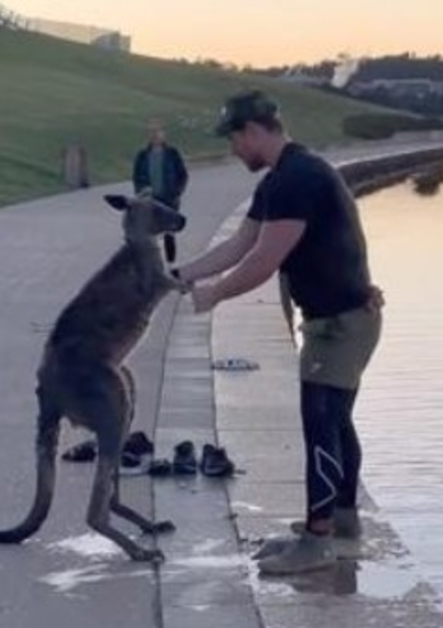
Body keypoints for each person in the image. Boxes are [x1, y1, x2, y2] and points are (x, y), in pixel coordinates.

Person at [172, 90, 382, 575]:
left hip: (341, 325)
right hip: (341, 320)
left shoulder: (298, 179)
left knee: (321, 421)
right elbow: (239, 243)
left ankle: (318, 540)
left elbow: (264, 261)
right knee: (335, 420)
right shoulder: (282, 178)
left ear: (252, 131)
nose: (232, 150)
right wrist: (184, 276)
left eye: (233, 139)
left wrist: (214, 295)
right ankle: (340, 519)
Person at [133, 119, 189, 263]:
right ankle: (153, 265)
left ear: (163, 134)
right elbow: (137, 177)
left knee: (169, 234)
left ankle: (171, 265)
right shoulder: (142, 156)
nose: (154, 135)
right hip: (150, 200)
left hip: (169, 199)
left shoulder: (172, 154)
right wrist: (141, 193)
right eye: (151, 132)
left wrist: (177, 192)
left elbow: (182, 175)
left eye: (157, 132)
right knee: (149, 234)